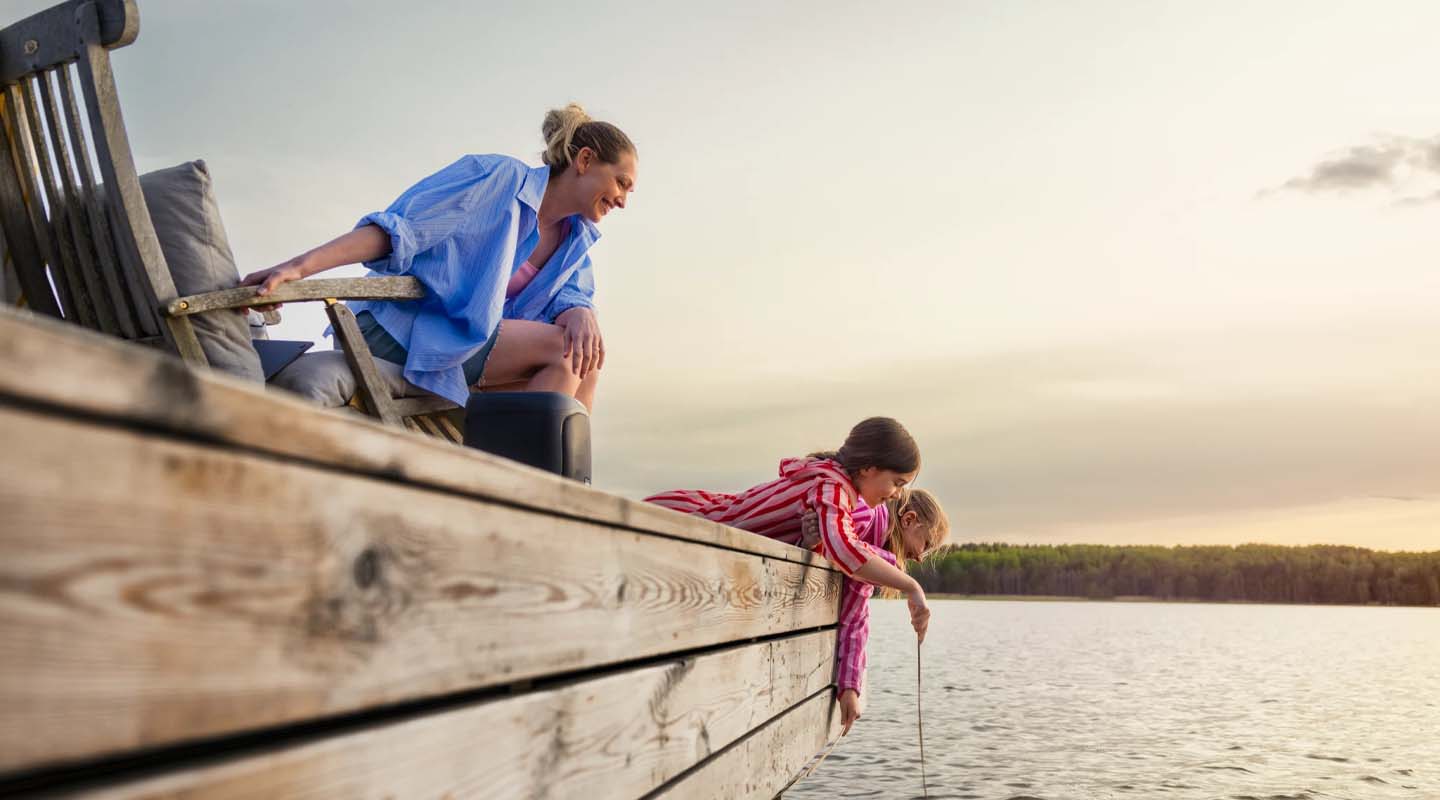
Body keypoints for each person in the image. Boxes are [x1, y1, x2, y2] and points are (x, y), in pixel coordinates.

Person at [242, 103, 636, 411]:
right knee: (566, 350)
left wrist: (580, 311)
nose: (622, 200)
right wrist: (298, 267)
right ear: (585, 160)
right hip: (403, 330)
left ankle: (558, 481)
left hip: (465, 344)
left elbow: (572, 296)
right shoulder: (497, 179)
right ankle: (521, 476)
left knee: (586, 360)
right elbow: (399, 232)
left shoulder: (574, 240)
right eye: (621, 183)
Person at [644, 416, 933, 653]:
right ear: (869, 468)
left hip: (702, 537)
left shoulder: (836, 490)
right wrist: (911, 587)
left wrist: (807, 543)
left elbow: (812, 541)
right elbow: (844, 549)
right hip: (682, 521)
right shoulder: (831, 486)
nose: (897, 494)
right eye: (897, 483)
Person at [803, 489, 950, 734]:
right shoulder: (866, 512)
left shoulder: (871, 550)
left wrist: (850, 688)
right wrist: (906, 581)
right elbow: (843, 545)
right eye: (925, 544)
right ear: (909, 520)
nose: (920, 558)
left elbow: (856, 619)